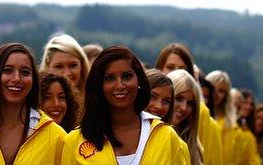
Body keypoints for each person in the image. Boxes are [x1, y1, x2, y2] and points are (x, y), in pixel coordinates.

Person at [60, 46, 188, 165]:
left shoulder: (167, 137)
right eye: (110, 78)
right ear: (98, 85)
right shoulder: (75, 141)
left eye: (127, 76)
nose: (120, 85)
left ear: (139, 80)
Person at [157, 44, 222, 165]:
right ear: (158, 69)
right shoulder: (141, 123)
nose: (184, 107)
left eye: (190, 103)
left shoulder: (193, 141)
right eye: (171, 67)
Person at [167, 69, 204, 165]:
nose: (184, 108)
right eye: (178, 98)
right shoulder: (143, 132)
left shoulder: (195, 148)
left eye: (190, 103)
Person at [41, 34, 90, 99]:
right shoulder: (36, 103)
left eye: (73, 65)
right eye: (59, 67)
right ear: (48, 67)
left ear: (82, 66)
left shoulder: (96, 100)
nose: (67, 73)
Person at [230, 89, 261, 165]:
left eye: (251, 104)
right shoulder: (227, 124)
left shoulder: (249, 134)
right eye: (245, 102)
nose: (248, 107)